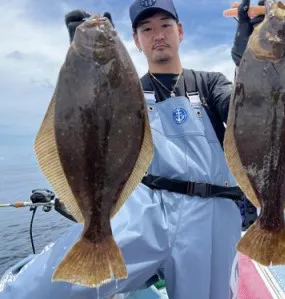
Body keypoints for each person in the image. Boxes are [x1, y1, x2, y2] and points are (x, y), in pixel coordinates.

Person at [0, 0, 264, 298]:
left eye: (165, 25)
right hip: (144, 208)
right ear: (136, 41)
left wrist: (252, 62)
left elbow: (250, 117)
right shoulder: (126, 89)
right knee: (34, 289)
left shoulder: (209, 83)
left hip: (210, 213)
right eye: (147, 29)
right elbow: (85, 124)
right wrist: (86, 63)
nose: (158, 34)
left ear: (180, 31)